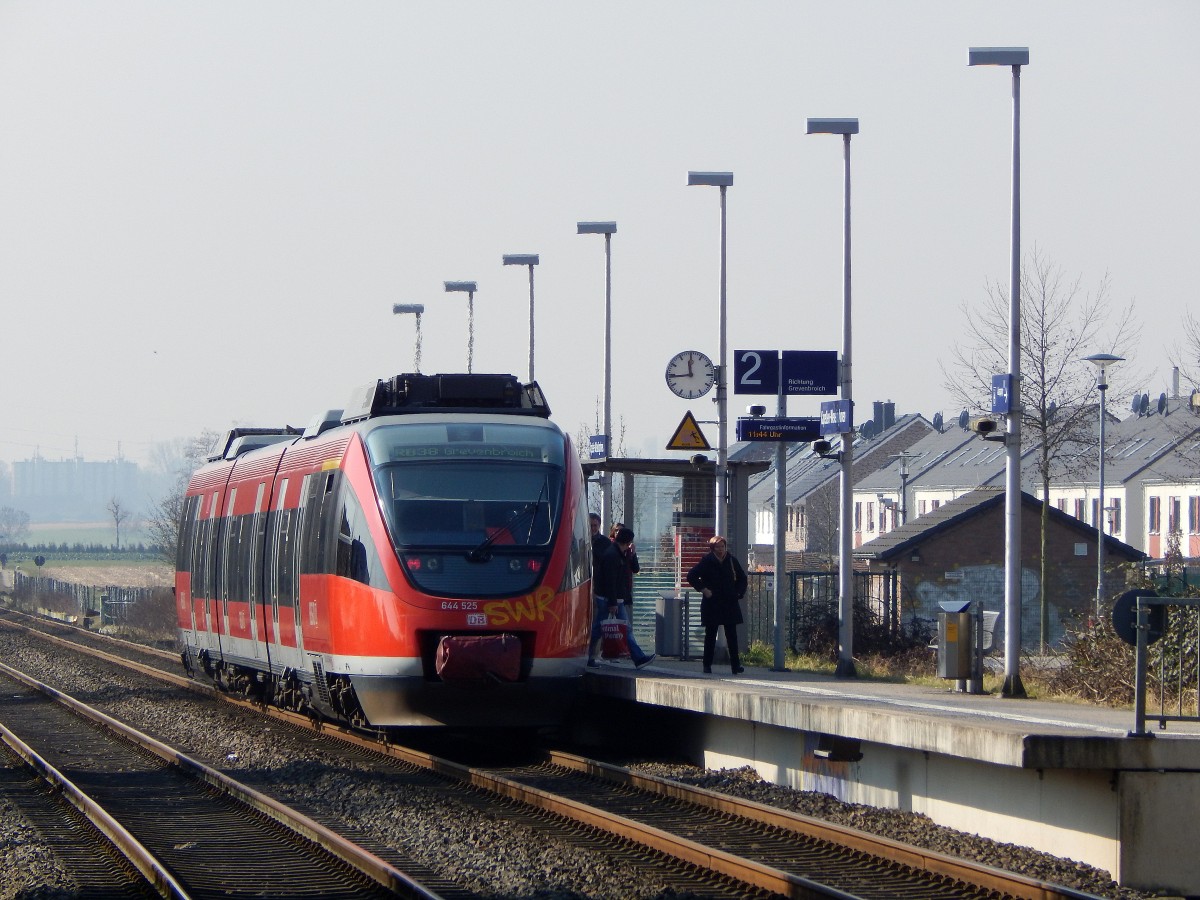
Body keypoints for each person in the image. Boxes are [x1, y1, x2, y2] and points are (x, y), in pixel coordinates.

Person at [686, 535, 747, 675]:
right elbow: (691, 576)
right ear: (712, 548)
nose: (720, 550)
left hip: (729, 602)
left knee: (732, 635)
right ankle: (707, 665)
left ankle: (735, 666)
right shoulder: (707, 561)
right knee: (710, 635)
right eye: (717, 547)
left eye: (722, 547)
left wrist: (738, 593)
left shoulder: (731, 560)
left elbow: (742, 578)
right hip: (712, 603)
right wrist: (704, 589)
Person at [608, 527, 654, 669]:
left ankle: (638, 657)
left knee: (610, 628)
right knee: (622, 629)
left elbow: (635, 569)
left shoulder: (623, 553)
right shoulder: (613, 555)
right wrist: (613, 601)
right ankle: (638, 658)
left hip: (618, 597)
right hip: (614, 599)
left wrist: (633, 554)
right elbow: (611, 580)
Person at [586, 513, 612, 668]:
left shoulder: (604, 543)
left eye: (595, 525)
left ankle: (591, 655)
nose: (593, 528)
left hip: (599, 587)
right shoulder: (579, 539)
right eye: (590, 526)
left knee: (597, 623)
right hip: (584, 584)